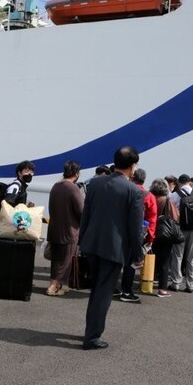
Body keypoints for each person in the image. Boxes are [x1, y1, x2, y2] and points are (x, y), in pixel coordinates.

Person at [79, 146, 145, 350]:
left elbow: (86, 216)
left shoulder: (96, 183)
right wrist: (138, 253)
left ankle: (91, 331)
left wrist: (82, 242)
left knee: (96, 291)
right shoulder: (134, 191)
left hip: (91, 244)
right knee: (103, 293)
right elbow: (135, 228)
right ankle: (91, 337)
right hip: (113, 249)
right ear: (133, 166)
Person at [118, 168, 157, 303]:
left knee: (116, 260)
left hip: (119, 230)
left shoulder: (124, 190)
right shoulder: (148, 196)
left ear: (132, 177)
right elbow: (152, 219)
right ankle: (126, 291)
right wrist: (150, 238)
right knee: (131, 263)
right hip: (138, 233)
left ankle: (112, 288)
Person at [46, 160, 83, 296]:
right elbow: (81, 211)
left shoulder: (56, 186)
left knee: (56, 260)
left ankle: (59, 285)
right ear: (76, 173)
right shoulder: (73, 188)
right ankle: (53, 286)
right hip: (69, 230)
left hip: (54, 228)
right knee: (65, 260)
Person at [167, 173, 193, 293]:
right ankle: (190, 284)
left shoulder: (175, 195)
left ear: (179, 183)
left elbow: (170, 213)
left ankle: (176, 283)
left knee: (177, 255)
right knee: (191, 256)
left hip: (179, 228)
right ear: (189, 181)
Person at [149, 178, 178, 297]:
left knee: (150, 258)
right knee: (165, 261)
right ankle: (162, 289)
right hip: (165, 234)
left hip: (151, 232)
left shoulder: (150, 197)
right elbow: (175, 217)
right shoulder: (167, 200)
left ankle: (147, 283)